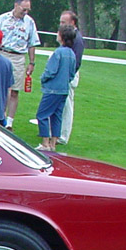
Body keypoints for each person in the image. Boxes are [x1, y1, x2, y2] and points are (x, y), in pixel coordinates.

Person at [0, 0, 41, 130]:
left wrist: (32, 63)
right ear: (16, 5)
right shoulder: (3, 18)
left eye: (28, 10)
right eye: (24, 9)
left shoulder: (29, 22)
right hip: (3, 54)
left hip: (18, 57)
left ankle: (9, 122)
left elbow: (32, 44)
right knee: (2, 88)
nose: (25, 12)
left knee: (14, 90)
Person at [35, 24, 77, 152]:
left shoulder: (58, 52)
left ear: (62, 37)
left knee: (42, 115)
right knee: (57, 116)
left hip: (52, 89)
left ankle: (45, 143)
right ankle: (53, 143)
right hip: (64, 90)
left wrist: (43, 78)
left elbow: (51, 71)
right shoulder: (72, 54)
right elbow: (71, 74)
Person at [58, 10, 85, 145]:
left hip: (68, 75)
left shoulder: (77, 39)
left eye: (64, 22)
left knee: (67, 105)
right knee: (61, 105)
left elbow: (77, 61)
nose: (61, 25)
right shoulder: (69, 36)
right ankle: (58, 132)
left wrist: (67, 76)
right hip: (64, 74)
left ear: (72, 22)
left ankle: (63, 136)